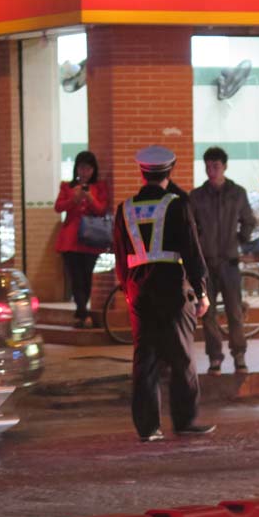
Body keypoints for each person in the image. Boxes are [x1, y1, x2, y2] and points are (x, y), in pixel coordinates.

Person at [113, 145, 214, 443]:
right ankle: (184, 421)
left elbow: (120, 256)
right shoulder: (177, 205)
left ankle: (148, 428)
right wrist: (201, 291)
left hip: (138, 289)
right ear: (169, 172)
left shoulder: (124, 208)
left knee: (145, 359)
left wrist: (127, 289)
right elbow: (192, 251)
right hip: (170, 287)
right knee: (181, 356)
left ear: (142, 173)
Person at [190, 146, 256, 376]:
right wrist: (198, 243)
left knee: (234, 311)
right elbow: (190, 225)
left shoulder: (237, 193)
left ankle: (239, 355)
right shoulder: (197, 196)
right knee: (207, 313)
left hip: (229, 261)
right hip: (206, 263)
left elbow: (248, 220)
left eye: (215, 166)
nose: (211, 171)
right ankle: (215, 357)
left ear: (225, 167)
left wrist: (240, 239)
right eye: (207, 167)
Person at [54, 151, 109, 328]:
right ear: (76, 168)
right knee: (76, 277)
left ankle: (81, 313)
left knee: (86, 277)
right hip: (70, 240)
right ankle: (83, 313)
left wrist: (90, 197)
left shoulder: (99, 187)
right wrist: (75, 198)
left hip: (91, 240)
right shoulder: (67, 186)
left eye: (88, 168)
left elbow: (101, 210)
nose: (85, 172)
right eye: (82, 168)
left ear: (94, 170)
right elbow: (58, 207)